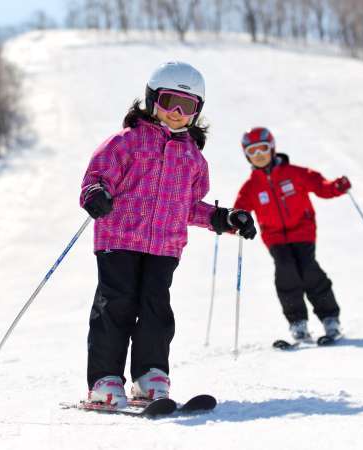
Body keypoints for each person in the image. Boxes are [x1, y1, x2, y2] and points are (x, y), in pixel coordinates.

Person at [79, 61, 257, 408]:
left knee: (156, 309)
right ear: (151, 100)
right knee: (116, 305)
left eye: (186, 106)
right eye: (169, 101)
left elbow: (189, 207)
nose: (176, 113)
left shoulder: (192, 157)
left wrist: (225, 218)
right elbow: (97, 177)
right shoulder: (125, 142)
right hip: (119, 239)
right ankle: (105, 380)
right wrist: (95, 194)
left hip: (165, 246)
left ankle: (150, 375)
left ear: (196, 111)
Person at [233, 127, 350, 342]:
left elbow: (321, 186)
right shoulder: (251, 187)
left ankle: (330, 318)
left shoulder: (295, 173)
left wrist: (336, 187)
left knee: (308, 269)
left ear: (273, 148)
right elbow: (239, 210)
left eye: (263, 149)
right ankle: (298, 322)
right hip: (275, 237)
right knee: (285, 270)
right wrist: (234, 220)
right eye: (252, 151)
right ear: (246, 155)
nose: (259, 155)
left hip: (302, 230)